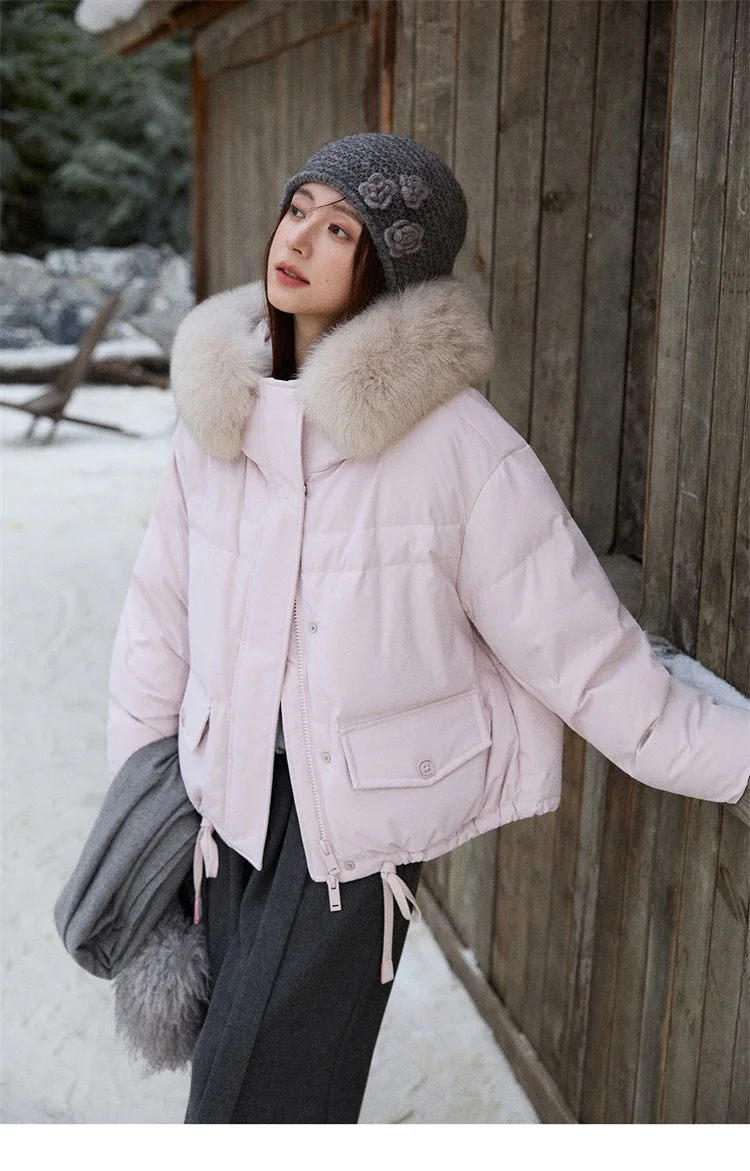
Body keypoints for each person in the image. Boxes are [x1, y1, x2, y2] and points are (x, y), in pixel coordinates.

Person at [106, 132, 750, 1124]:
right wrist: (140, 803)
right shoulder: (220, 422)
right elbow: (159, 621)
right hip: (223, 808)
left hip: (351, 840)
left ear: (392, 268)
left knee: (249, 1108)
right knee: (247, 1094)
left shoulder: (461, 450)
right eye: (298, 210)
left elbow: (584, 656)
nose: (299, 239)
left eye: (341, 229)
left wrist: (734, 757)